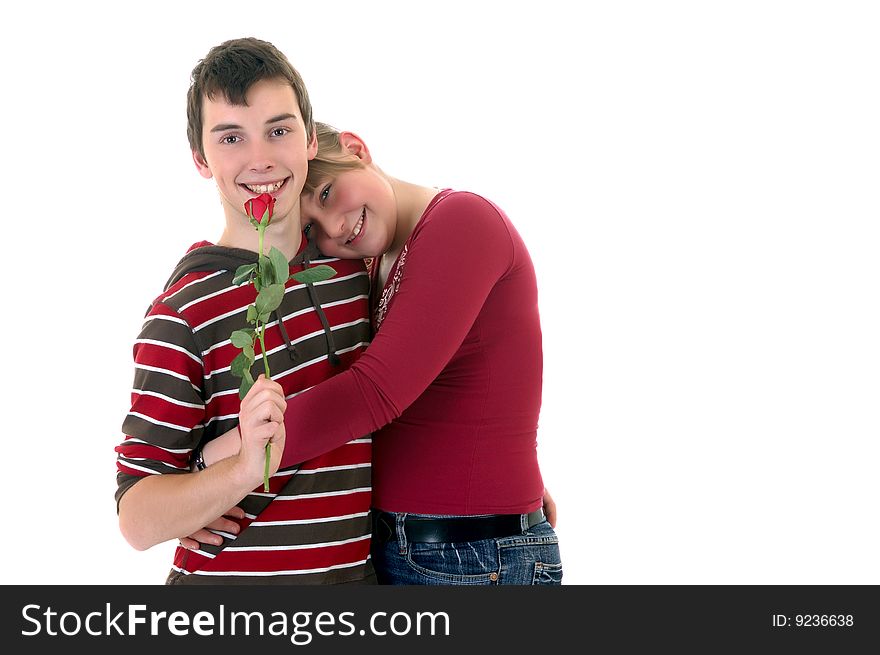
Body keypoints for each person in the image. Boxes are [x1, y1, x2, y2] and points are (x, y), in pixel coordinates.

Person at [196, 122, 562, 584]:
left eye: (327, 193)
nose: (337, 228)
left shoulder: (463, 220)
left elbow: (373, 392)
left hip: (471, 557)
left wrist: (218, 465)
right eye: (315, 228)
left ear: (355, 148)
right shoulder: (374, 262)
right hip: (409, 548)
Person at [115, 40, 376, 585]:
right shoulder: (181, 312)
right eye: (231, 137)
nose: (260, 158)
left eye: (278, 130)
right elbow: (137, 518)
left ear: (309, 139)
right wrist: (236, 471)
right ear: (201, 159)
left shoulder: (353, 265)